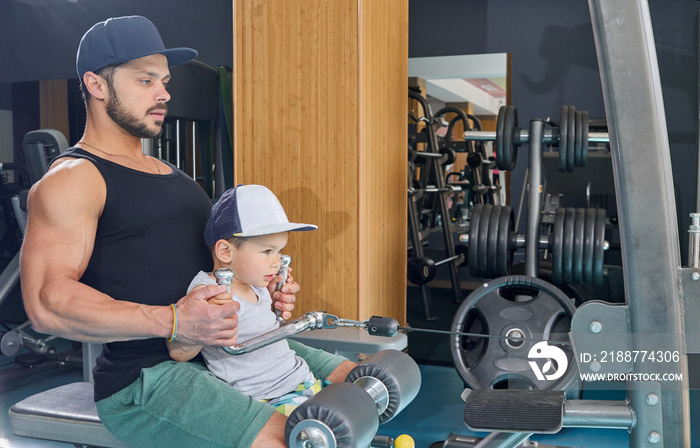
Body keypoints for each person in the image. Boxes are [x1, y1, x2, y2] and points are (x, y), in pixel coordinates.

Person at [20, 15, 356, 448]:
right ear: (97, 85)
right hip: (148, 377)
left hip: (219, 351)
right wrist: (175, 320)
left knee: (361, 382)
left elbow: (210, 270)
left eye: (163, 80)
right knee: (300, 438)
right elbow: (48, 302)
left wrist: (253, 291)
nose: (164, 93)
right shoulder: (75, 178)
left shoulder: (173, 176)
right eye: (145, 81)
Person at [167, 184, 342, 416]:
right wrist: (201, 327)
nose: (277, 261)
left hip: (301, 382)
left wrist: (274, 298)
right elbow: (179, 352)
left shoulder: (254, 283)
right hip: (268, 399)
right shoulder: (209, 291)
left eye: (280, 251)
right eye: (267, 251)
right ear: (226, 252)